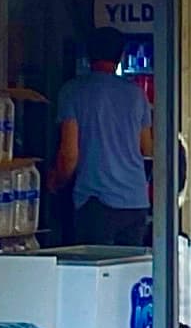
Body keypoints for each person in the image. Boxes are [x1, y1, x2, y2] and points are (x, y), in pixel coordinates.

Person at [55, 28, 154, 241]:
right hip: (136, 202)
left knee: (95, 271)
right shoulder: (137, 94)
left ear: (88, 55)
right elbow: (147, 148)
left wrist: (57, 181)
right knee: (130, 271)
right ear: (120, 57)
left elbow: (70, 154)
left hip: (96, 202)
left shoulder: (73, 92)